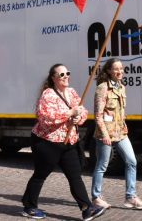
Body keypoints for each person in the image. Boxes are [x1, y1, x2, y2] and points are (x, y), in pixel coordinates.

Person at [20, 64, 106, 220]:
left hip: (68, 142)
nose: (66, 76)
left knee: (75, 176)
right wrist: (69, 113)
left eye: (67, 73)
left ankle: (87, 209)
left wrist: (78, 117)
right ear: (53, 78)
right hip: (47, 142)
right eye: (61, 74)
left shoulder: (72, 92)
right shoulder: (48, 95)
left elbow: (83, 111)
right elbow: (45, 117)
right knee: (40, 175)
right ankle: (29, 206)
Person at [91, 58, 142, 210]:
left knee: (132, 161)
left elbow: (121, 111)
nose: (120, 72)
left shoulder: (122, 87)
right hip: (106, 134)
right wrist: (104, 135)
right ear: (108, 70)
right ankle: (96, 197)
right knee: (102, 165)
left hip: (120, 133)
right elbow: (98, 115)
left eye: (121, 69)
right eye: (116, 69)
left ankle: (131, 197)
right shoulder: (102, 88)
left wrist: (124, 126)